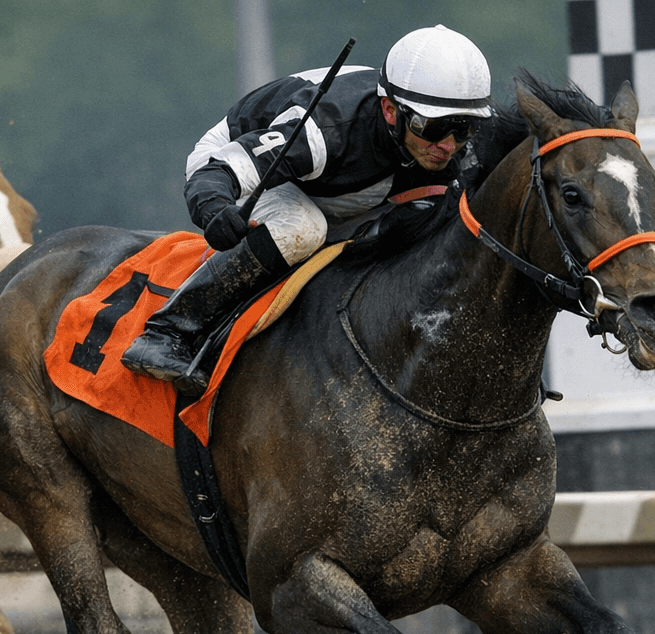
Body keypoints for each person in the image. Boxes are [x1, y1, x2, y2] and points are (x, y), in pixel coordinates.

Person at [121, 25, 493, 394]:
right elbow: (217, 172)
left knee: (436, 220)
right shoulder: (327, 130)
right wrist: (214, 208)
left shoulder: (451, 145)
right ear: (391, 110)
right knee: (302, 228)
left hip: (344, 189)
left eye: (464, 128)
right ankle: (168, 330)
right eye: (433, 128)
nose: (448, 145)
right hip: (241, 166)